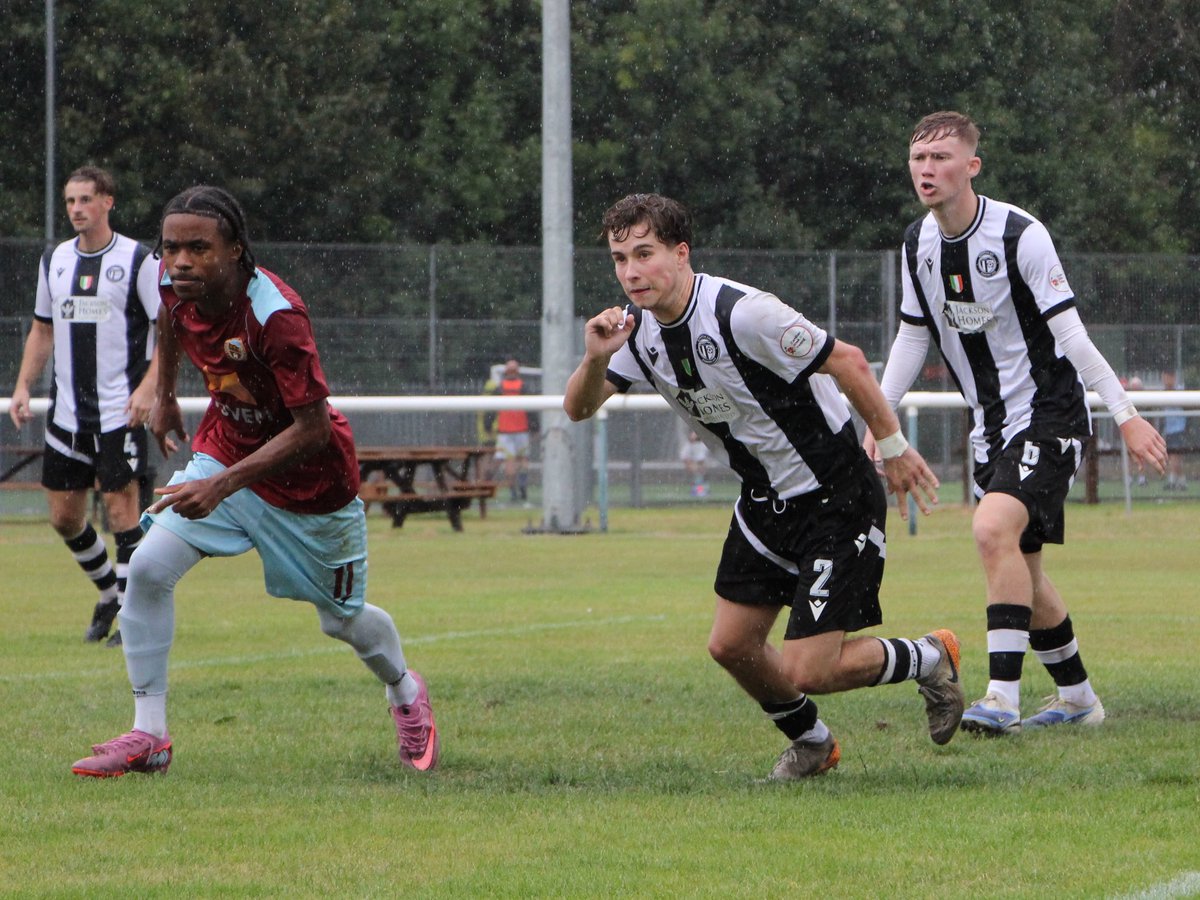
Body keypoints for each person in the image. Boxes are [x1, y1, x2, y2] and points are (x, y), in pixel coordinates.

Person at [564, 193, 962, 781]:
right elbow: (578, 408)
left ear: (681, 253)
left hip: (835, 495)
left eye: (644, 254)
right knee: (731, 646)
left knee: (808, 668)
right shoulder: (635, 332)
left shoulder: (743, 314)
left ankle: (929, 657)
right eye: (620, 259)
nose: (630, 272)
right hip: (763, 502)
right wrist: (596, 358)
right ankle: (813, 744)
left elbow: (850, 361)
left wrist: (894, 446)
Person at [70, 186, 438, 777]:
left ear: (236, 250)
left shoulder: (277, 316)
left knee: (341, 619)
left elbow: (313, 429)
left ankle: (405, 690)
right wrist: (165, 396)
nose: (181, 262)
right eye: (171, 248)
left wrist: (221, 487)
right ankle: (150, 735)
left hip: (310, 486)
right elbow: (168, 318)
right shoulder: (172, 283)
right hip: (226, 452)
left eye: (198, 248)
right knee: (149, 568)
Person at [871, 111, 1168, 735]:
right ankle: (1079, 700)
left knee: (990, 528)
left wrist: (1126, 415)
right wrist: (881, 417)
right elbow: (912, 336)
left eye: (941, 158)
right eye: (918, 158)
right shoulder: (916, 243)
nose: (927, 170)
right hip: (990, 426)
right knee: (1023, 571)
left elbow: (1072, 336)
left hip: (1050, 416)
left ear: (972, 166)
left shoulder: (1019, 235)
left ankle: (1000, 699)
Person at [8, 165, 160, 648]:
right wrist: (22, 385)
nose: (76, 209)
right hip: (67, 414)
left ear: (107, 202)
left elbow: (170, 332)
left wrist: (150, 389)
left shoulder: (138, 259)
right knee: (64, 517)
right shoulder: (54, 260)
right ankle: (109, 593)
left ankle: (132, 620)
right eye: (71, 200)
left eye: (86, 200)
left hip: (120, 411)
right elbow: (42, 329)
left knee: (121, 510)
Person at [492, 358, 532, 505]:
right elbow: (531, 409)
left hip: (506, 431)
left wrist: (489, 425)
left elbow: (491, 409)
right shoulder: (523, 387)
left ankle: (514, 490)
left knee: (510, 462)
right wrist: (535, 426)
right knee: (522, 460)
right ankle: (521, 486)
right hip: (520, 429)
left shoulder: (500, 388)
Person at [1160, 370, 1189, 491]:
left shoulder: (1179, 391)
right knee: (1173, 455)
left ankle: (1172, 480)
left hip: (1178, 428)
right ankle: (1182, 480)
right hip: (1169, 429)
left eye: (1167, 377)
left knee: (1174, 455)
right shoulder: (1162, 393)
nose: (1165, 380)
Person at [679, 429, 710, 497]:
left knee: (699, 474)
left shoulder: (702, 445)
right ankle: (698, 490)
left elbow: (702, 458)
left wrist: (698, 465)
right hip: (692, 464)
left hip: (699, 465)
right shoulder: (688, 445)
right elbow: (684, 456)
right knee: (697, 474)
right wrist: (690, 464)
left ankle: (700, 490)